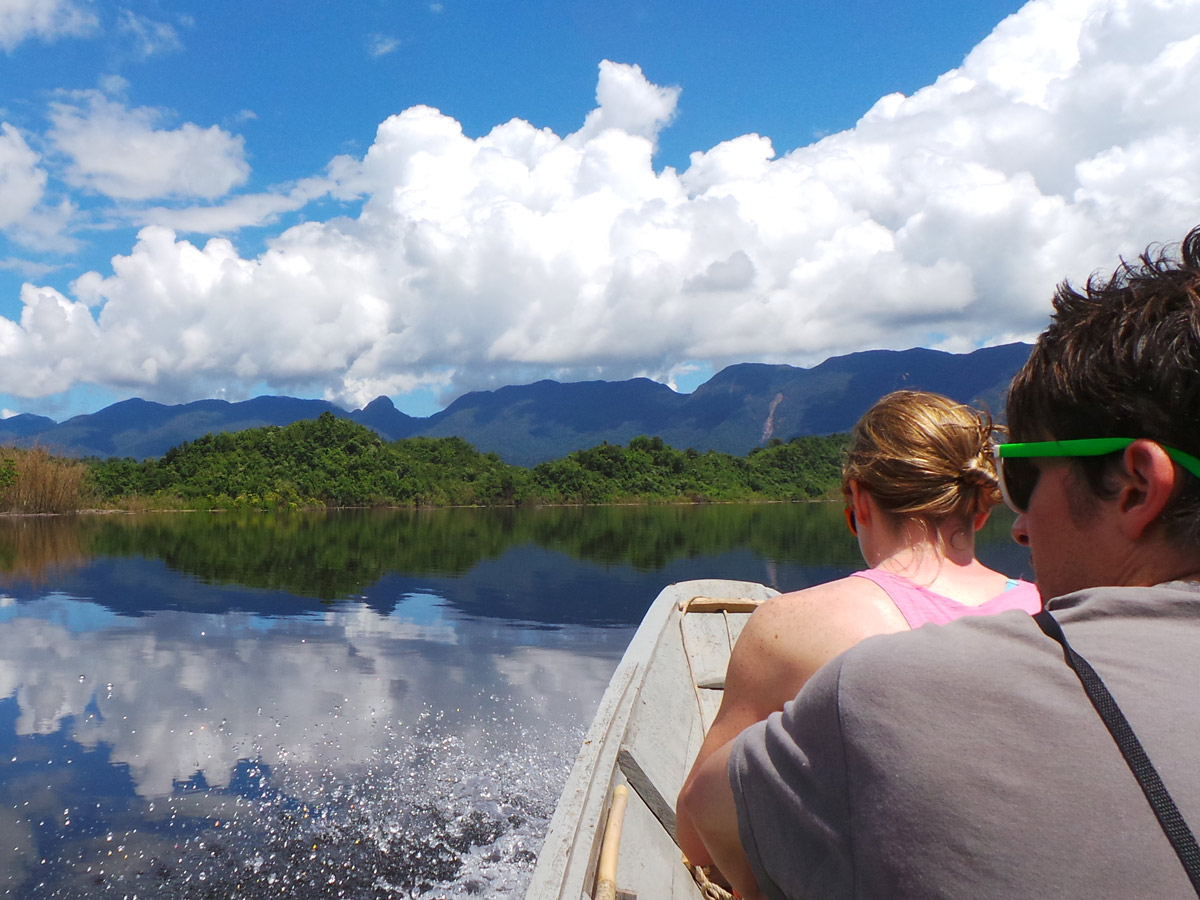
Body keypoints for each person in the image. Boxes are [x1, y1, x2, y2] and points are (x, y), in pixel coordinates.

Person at [683, 225, 1200, 900]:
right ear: (976, 506)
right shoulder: (1045, 617)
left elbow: (699, 826)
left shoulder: (852, 671)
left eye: (1027, 478)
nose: (1021, 531)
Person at [676, 389, 1040, 869]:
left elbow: (696, 836)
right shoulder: (1049, 609)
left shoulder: (789, 627)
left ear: (862, 503)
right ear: (981, 508)